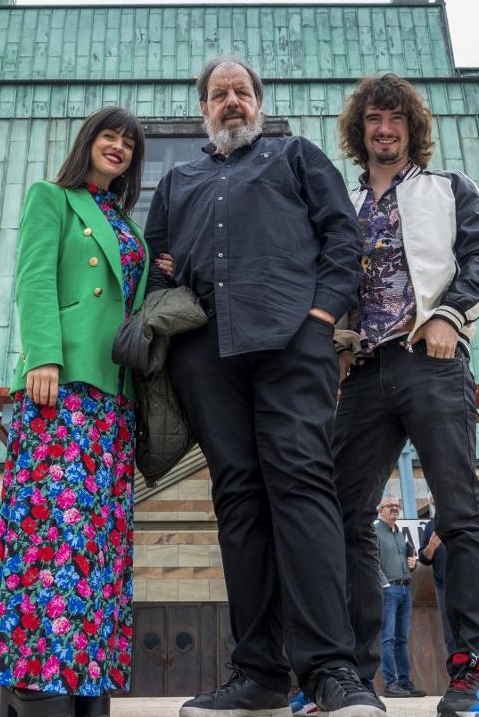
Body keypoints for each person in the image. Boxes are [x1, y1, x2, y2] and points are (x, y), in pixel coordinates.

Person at [145, 55, 385, 717]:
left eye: (242, 93)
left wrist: (320, 317)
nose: (232, 102)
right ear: (203, 110)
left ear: (259, 103)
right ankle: (259, 674)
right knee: (240, 502)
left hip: (290, 342)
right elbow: (156, 268)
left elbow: (345, 238)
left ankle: (333, 671)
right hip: (206, 356)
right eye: (219, 94)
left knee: (302, 487)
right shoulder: (178, 181)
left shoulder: (296, 157)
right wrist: (172, 312)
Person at [330, 73, 479, 717]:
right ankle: (349, 678)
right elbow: (333, 286)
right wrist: (342, 343)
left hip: (431, 360)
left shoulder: (448, 188)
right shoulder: (343, 204)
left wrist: (449, 315)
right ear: (360, 130)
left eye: (395, 120)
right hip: (366, 373)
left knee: (460, 512)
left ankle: (475, 675)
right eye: (374, 119)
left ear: (411, 128)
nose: (384, 129)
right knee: (343, 516)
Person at [0, 106, 148, 717]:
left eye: (129, 142)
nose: (120, 147)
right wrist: (43, 356)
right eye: (110, 135)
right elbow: (34, 280)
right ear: (88, 141)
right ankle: (35, 681)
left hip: (113, 401)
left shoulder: (124, 222)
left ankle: (85, 681)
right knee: (49, 537)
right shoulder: (53, 197)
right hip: (63, 386)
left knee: (96, 546)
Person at [374, 496, 425, 698]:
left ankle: (404, 683)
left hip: (405, 589)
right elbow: (371, 560)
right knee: (388, 638)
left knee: (402, 639)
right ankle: (390, 684)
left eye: (397, 506)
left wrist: (414, 565)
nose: (394, 509)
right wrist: (384, 583)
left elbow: (409, 561)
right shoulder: (376, 532)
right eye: (390, 506)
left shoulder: (400, 534)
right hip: (389, 590)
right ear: (380, 511)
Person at [418, 515, 456, 657]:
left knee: (470, 629)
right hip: (443, 586)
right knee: (450, 633)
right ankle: (457, 672)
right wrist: (431, 546)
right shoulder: (431, 525)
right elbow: (424, 559)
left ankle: (476, 671)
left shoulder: (461, 519)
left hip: (465, 584)